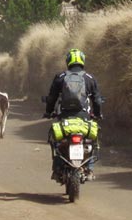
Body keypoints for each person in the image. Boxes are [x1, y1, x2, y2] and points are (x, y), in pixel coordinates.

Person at [43, 48, 103, 179]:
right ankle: (90, 168)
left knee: (56, 142)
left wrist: (48, 112)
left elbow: (52, 98)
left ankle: (58, 168)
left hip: (64, 118)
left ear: (68, 61)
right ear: (82, 60)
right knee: (92, 141)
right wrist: (98, 114)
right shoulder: (89, 78)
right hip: (84, 119)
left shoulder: (60, 77)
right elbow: (97, 100)